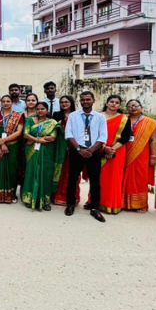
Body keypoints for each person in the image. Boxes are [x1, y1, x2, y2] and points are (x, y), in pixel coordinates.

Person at [64, 91, 108, 222]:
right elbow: (69, 134)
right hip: (77, 151)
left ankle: (95, 208)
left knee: (95, 181)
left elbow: (102, 136)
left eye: (88, 99)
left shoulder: (100, 117)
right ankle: (70, 204)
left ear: (93, 100)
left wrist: (91, 150)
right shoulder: (73, 116)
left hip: (93, 152)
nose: (85, 102)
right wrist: (79, 149)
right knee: (72, 178)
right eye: (82, 100)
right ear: (79, 101)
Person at [21, 102, 66, 211]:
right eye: (38, 109)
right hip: (32, 151)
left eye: (43, 109)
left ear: (47, 110)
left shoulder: (52, 122)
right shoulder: (30, 120)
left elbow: (53, 137)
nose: (40, 111)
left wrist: (33, 139)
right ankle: (28, 198)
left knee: (46, 174)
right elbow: (25, 134)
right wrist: (38, 139)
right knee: (31, 172)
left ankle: (45, 200)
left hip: (47, 152)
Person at [96, 95, 132, 214]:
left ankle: (111, 204)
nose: (114, 104)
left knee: (113, 179)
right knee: (97, 178)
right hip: (98, 148)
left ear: (119, 105)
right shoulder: (97, 116)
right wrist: (104, 147)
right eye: (111, 101)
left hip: (117, 150)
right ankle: (95, 202)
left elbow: (126, 137)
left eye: (117, 102)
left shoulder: (124, 118)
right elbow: (92, 134)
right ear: (106, 103)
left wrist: (111, 149)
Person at [122, 99, 156, 212]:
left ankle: (140, 204)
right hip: (124, 152)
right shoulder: (123, 119)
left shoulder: (149, 122)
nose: (133, 108)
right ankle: (123, 203)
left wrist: (154, 156)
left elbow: (153, 140)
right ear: (127, 108)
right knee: (123, 178)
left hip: (142, 154)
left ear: (141, 107)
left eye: (136, 105)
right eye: (130, 106)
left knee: (140, 178)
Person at [0, 95, 24, 204]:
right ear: (1, 103)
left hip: (13, 146)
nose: (5, 103)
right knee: (0, 169)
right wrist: (0, 142)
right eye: (3, 101)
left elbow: (19, 132)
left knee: (12, 170)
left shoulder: (18, 116)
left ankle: (10, 195)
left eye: (8, 101)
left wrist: (5, 140)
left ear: (11, 103)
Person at [51, 95, 79, 206]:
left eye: (66, 102)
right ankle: (57, 196)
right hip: (59, 147)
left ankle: (72, 198)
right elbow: (52, 129)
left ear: (71, 102)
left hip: (74, 147)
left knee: (72, 173)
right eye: (62, 102)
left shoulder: (77, 115)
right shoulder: (56, 115)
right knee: (59, 171)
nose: (64, 104)